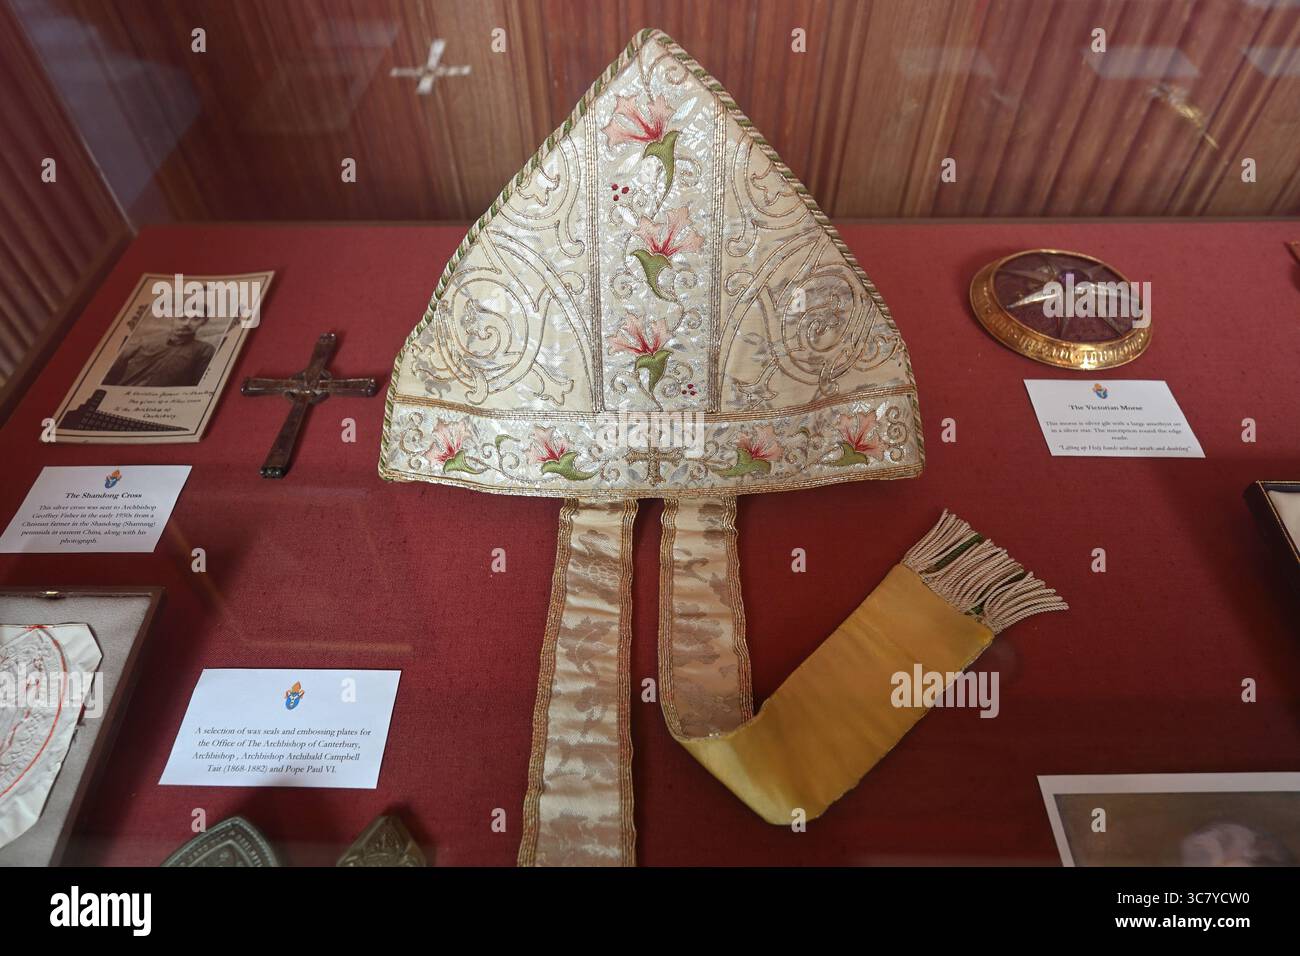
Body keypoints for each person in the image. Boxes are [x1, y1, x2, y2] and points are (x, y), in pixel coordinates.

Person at [103, 313, 215, 388]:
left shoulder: (204, 350)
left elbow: (197, 388)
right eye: (182, 317)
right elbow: (111, 374)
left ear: (204, 322)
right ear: (173, 317)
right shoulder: (144, 340)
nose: (186, 323)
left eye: (195, 319)